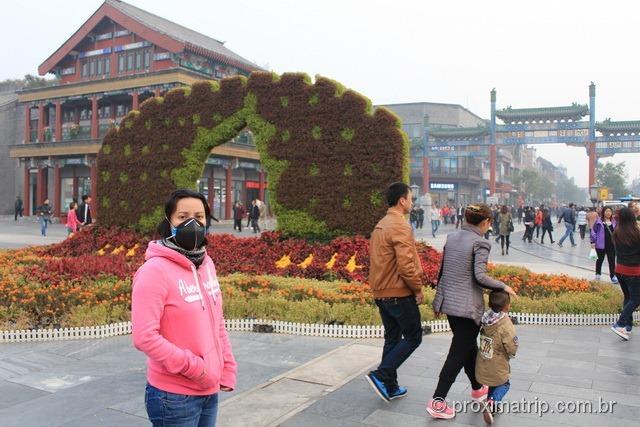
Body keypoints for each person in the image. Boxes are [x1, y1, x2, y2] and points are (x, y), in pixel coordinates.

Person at [132, 189, 237, 427]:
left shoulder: (206, 263)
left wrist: (226, 366)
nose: (193, 222)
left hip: (209, 389)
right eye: (182, 216)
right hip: (175, 396)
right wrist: (197, 368)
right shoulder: (154, 271)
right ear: (169, 222)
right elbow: (144, 337)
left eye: (199, 217)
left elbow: (217, 321)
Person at [427, 204, 517, 420]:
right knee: (457, 354)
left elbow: (443, 272)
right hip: (467, 309)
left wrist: (438, 302)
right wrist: (503, 286)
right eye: (489, 223)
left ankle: (478, 388)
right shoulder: (481, 242)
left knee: (467, 348)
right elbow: (479, 276)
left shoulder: (453, 236)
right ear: (485, 222)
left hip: (450, 305)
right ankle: (438, 401)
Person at [366, 182, 424, 402]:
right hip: (399, 293)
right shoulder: (399, 225)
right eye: (410, 198)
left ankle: (389, 386)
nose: (412, 202)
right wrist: (417, 289)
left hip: (382, 292)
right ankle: (381, 375)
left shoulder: (381, 223)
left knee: (392, 338)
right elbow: (406, 265)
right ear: (402, 200)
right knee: (413, 336)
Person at [476, 290, 519, 425]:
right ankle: (491, 403)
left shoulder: (485, 317)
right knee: (504, 383)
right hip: (497, 362)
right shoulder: (505, 324)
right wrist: (512, 353)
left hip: (483, 361)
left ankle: (492, 407)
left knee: (493, 382)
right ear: (507, 306)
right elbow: (511, 344)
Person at [610, 207, 640, 340]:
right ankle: (620, 324)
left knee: (628, 297)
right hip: (634, 271)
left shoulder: (616, 232)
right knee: (636, 299)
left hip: (620, 270)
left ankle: (627, 327)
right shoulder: (637, 233)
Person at [590, 206, 618, 283]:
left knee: (612, 260)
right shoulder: (598, 221)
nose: (608, 213)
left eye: (610, 211)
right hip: (600, 244)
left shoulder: (614, 222)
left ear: (612, 213)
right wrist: (593, 241)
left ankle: (613, 276)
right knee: (599, 260)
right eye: (606, 211)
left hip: (611, 244)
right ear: (603, 212)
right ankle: (598, 273)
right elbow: (593, 231)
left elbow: (617, 232)